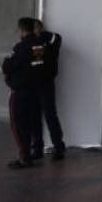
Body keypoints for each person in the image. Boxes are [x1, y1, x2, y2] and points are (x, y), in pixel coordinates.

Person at [1, 17, 46, 169]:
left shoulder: (21, 46)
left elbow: (7, 66)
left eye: (18, 29)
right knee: (33, 123)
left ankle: (24, 157)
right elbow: (38, 67)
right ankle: (35, 150)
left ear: (21, 30)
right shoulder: (38, 46)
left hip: (20, 92)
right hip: (35, 91)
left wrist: (5, 67)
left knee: (19, 125)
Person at [30, 18, 67, 160]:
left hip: (46, 84)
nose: (35, 31)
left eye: (37, 28)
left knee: (50, 116)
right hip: (33, 84)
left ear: (41, 28)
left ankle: (58, 147)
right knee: (34, 117)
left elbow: (57, 38)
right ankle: (37, 149)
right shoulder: (31, 43)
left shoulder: (51, 40)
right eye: (33, 29)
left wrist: (41, 36)